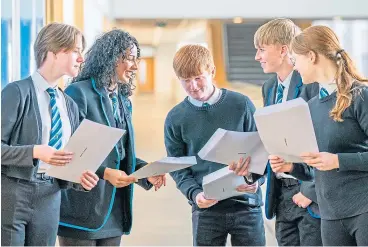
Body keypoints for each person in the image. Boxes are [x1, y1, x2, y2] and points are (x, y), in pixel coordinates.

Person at [57, 29, 166, 246]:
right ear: (111, 57)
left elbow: (119, 152)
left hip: (114, 209)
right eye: (130, 59)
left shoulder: (123, 100)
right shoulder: (78, 93)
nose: (135, 67)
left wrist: (146, 173)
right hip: (83, 209)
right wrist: (105, 174)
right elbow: (67, 154)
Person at [1, 22, 99, 246]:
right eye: (76, 51)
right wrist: (35, 152)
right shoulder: (16, 92)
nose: (81, 59)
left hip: (50, 196)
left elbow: (66, 159)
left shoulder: (69, 105)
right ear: (54, 52)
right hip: (13, 194)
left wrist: (79, 179)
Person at [164, 44, 265, 246]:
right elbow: (177, 167)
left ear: (212, 71)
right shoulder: (175, 118)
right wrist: (194, 194)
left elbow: (262, 151)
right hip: (206, 208)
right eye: (185, 81)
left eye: (198, 78)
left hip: (247, 205)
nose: (193, 86)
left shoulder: (241, 105)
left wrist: (256, 181)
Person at [277, 25, 368, 246]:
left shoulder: (361, 96)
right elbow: (315, 167)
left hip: (364, 208)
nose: (295, 66)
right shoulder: (310, 106)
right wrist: (291, 167)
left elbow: (332, 161)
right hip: (330, 215)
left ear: (311, 56)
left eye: (296, 59)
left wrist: (338, 160)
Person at [254, 18, 322, 246]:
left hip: (309, 191)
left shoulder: (312, 84)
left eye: (262, 49)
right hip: (281, 192)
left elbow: (327, 140)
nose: (257, 57)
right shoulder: (269, 87)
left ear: (283, 50)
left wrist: (311, 191)